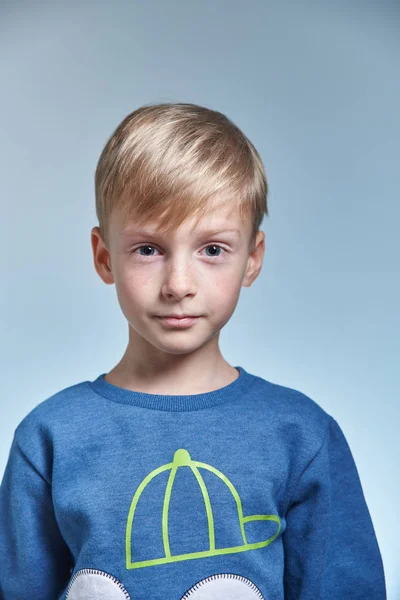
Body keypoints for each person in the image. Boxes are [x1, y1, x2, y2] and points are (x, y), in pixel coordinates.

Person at [0, 103, 386, 599]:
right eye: (148, 249)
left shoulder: (301, 434)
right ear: (104, 257)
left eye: (212, 250)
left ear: (252, 259)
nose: (179, 285)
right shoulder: (49, 438)